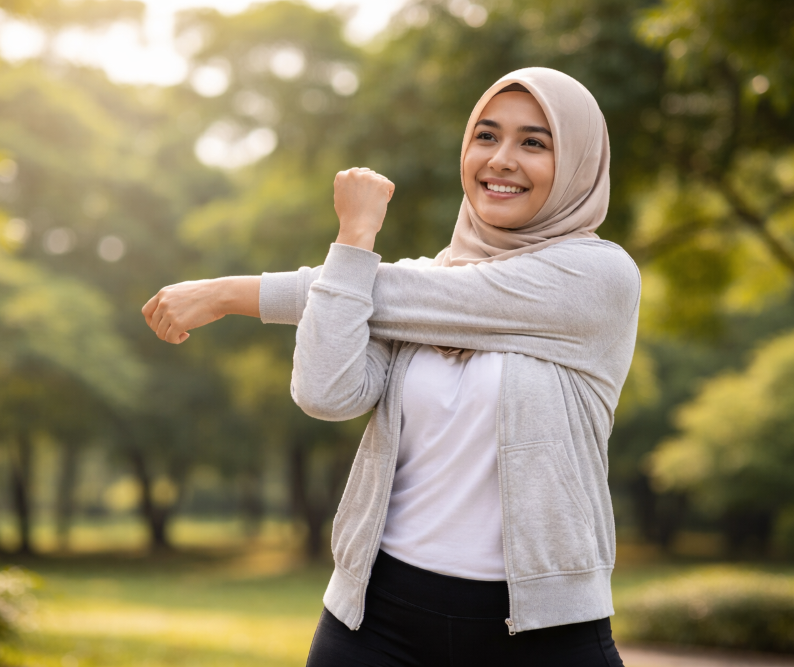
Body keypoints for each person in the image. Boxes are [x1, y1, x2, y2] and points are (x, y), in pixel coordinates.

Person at [143, 67, 639, 666]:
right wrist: (354, 236)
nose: (502, 159)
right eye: (486, 136)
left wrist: (228, 293)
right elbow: (327, 393)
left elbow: (399, 297)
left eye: (534, 142)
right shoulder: (419, 283)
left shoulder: (599, 277)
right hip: (377, 621)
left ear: (580, 166)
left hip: (541, 634)